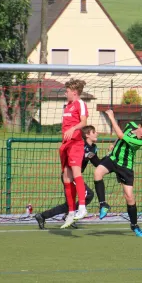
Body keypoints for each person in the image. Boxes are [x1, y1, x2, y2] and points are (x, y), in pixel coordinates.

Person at [93, 109, 142, 237]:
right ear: (139, 126)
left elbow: (121, 135)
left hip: (125, 167)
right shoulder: (131, 124)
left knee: (129, 197)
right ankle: (103, 205)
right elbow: (119, 136)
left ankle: (134, 225)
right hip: (113, 158)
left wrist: (111, 117)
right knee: (97, 173)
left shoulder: (139, 142)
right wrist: (114, 144)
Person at [35, 125, 104, 229]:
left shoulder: (93, 148)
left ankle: (42, 216)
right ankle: (69, 214)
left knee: (69, 204)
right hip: (69, 176)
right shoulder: (78, 145)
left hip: (76, 177)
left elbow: (97, 163)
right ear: (87, 135)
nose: (97, 133)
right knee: (88, 194)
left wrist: (109, 156)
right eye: (94, 132)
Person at [59, 79, 89, 228]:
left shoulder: (80, 104)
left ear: (74, 92)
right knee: (66, 177)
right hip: (66, 145)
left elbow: (83, 122)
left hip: (76, 145)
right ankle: (71, 212)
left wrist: (73, 129)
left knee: (76, 173)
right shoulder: (68, 106)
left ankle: (82, 207)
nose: (66, 93)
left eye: (67, 91)